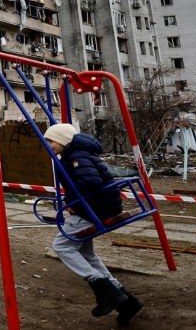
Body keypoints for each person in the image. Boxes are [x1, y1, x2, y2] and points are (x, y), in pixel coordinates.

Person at [43, 123, 144, 326]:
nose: (48, 145)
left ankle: (102, 286)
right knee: (87, 254)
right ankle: (126, 301)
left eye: (51, 141)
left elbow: (91, 183)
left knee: (62, 246)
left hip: (96, 209)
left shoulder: (76, 157)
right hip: (98, 205)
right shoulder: (77, 154)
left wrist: (71, 201)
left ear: (63, 140)